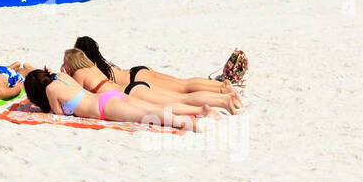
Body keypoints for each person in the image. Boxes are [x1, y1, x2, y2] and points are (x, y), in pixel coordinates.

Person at [61, 47, 240, 112]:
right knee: (182, 89)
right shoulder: (92, 67)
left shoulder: (78, 75)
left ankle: (223, 101)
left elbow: (74, 95)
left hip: (130, 90)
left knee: (181, 98)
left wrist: (63, 74)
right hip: (135, 84)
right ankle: (223, 94)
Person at [19, 67, 202, 130]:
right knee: (150, 107)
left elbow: (58, 114)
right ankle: (199, 110)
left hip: (103, 108)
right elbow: (53, 75)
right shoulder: (61, 77)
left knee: (148, 114)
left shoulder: (51, 90)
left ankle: (186, 123)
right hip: (108, 96)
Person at [74, 36, 249, 92]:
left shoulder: (89, 67)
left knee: (183, 88)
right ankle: (219, 85)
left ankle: (221, 89)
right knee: (183, 83)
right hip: (137, 71)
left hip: (137, 79)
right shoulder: (102, 60)